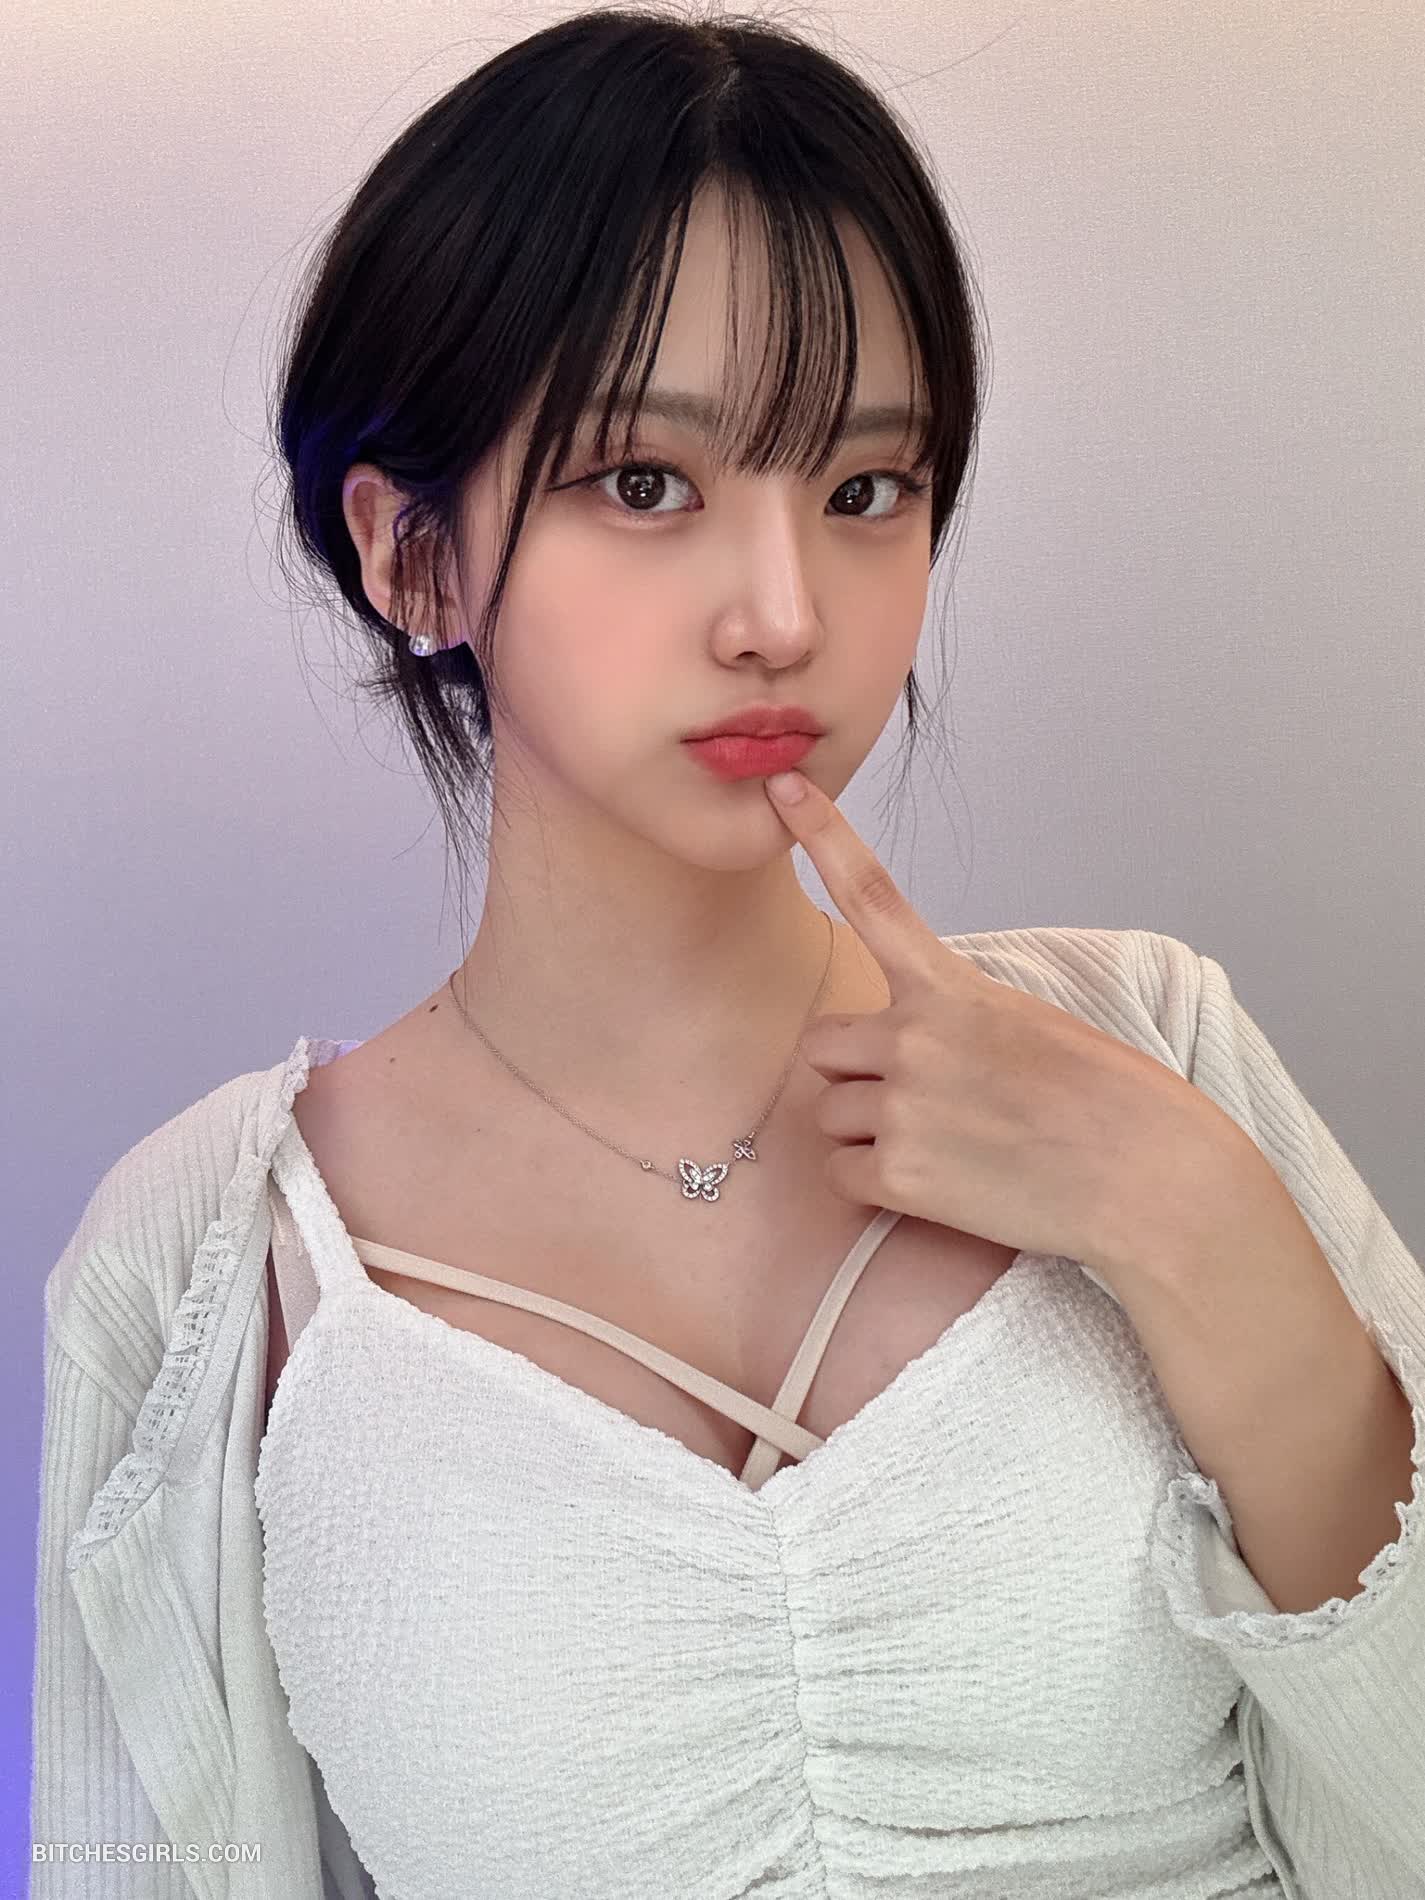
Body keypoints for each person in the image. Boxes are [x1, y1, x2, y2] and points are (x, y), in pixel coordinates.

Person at [30, 9, 1425, 1899]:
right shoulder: (206, 1268)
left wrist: (1193, 1219)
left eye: (864, 492)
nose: (784, 614)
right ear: (412, 554)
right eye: (645, 483)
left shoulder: (1144, 1044)